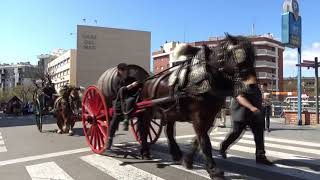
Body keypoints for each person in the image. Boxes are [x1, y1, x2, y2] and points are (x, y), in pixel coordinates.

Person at [220, 70, 273, 166]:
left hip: (254, 115)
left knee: (259, 134)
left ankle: (260, 156)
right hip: (241, 114)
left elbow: (258, 98)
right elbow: (240, 98)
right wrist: (252, 107)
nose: (255, 78)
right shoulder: (239, 85)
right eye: (253, 76)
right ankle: (224, 146)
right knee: (236, 133)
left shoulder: (255, 86)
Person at [107, 63, 142, 150]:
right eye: (123, 70)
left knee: (131, 100)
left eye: (126, 70)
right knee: (115, 119)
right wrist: (131, 86)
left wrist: (139, 84)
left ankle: (127, 118)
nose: (125, 71)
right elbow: (119, 91)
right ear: (119, 70)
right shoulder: (117, 80)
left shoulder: (132, 79)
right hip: (120, 100)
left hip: (132, 97)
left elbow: (138, 87)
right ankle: (109, 139)